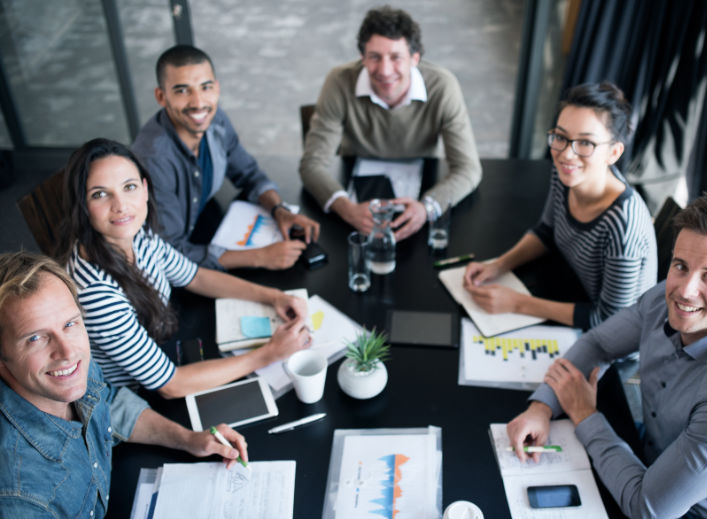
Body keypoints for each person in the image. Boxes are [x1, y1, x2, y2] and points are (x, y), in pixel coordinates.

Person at [507, 195, 707, 519]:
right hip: (650, 454)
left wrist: (584, 415)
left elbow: (646, 508)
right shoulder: (663, 299)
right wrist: (542, 406)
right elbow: (597, 344)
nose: (685, 290)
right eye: (680, 266)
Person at [0, 251, 301, 519]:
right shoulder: (20, 500)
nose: (68, 352)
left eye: (70, 323)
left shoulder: (72, 370)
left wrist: (187, 438)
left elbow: (108, 402)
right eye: (36, 338)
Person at [59, 138, 312, 399]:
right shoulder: (96, 292)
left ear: (145, 189)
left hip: (163, 345)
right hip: (136, 398)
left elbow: (196, 276)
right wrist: (270, 353)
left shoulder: (137, 236)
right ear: (83, 206)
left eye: (129, 187)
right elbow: (171, 385)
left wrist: (274, 297)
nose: (121, 205)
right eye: (100, 194)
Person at [464, 82, 656, 331]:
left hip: (612, 343)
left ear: (614, 153)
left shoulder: (623, 226)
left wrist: (518, 304)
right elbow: (547, 231)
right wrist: (498, 265)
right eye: (561, 137)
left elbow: (611, 322)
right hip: (572, 292)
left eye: (585, 143)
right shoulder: (567, 175)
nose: (566, 154)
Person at [299, 5, 482, 241]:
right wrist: (347, 209)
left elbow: (469, 169)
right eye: (374, 57)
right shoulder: (339, 81)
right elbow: (312, 164)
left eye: (396, 57)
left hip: (421, 183)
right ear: (363, 57)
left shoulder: (443, 86)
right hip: (356, 185)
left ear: (415, 58)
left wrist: (426, 208)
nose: (385, 71)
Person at [131, 45, 320, 271]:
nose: (199, 102)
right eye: (182, 91)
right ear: (161, 97)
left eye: (206, 87)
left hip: (207, 226)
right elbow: (171, 254)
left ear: (217, 88)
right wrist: (259, 257)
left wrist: (279, 210)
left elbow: (249, 174)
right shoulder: (153, 160)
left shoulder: (215, 119)